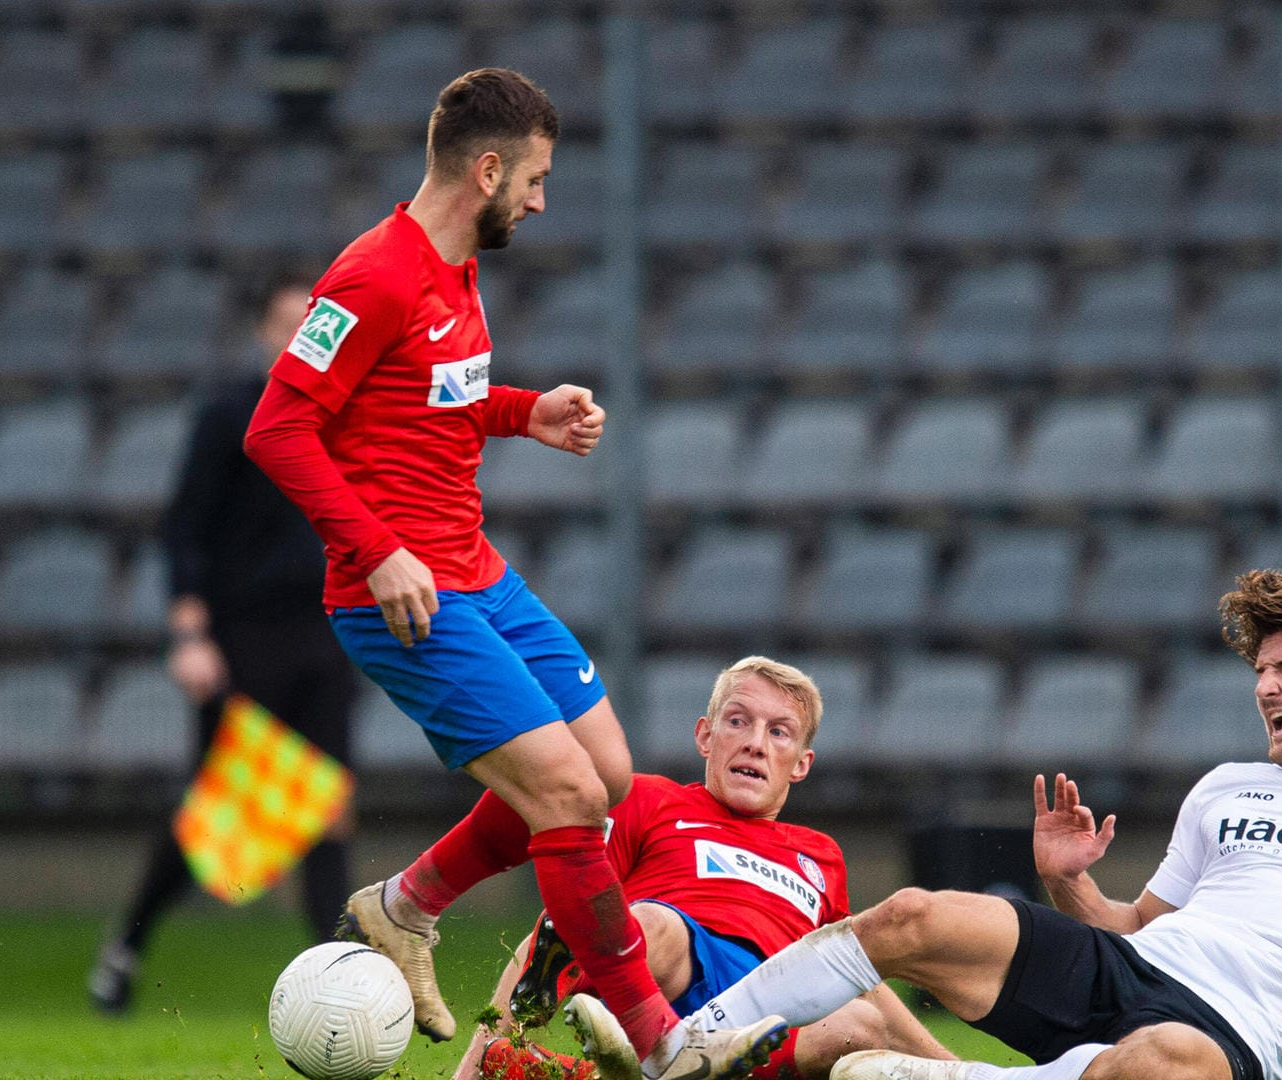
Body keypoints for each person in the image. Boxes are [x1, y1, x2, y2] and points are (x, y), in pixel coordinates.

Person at [242, 68, 783, 1080]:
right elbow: (277, 428)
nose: (538, 200)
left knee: (608, 775)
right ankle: (664, 1043)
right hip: (399, 592)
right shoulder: (374, 274)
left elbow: (431, 401)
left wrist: (524, 411)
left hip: (475, 568)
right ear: (486, 168)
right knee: (571, 799)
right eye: (533, 179)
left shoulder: (455, 271)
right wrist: (377, 547)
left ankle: (403, 907)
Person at [574, 570, 1282, 1080]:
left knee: (1162, 1060)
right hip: (1140, 977)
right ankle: (686, 1048)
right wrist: (1071, 885)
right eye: (1260, 671)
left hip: (1225, 1041)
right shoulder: (1229, 789)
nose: (1265, 688)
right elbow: (1132, 936)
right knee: (918, 915)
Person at [426, 656, 951, 1080]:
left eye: (780, 732)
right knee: (652, 925)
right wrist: (479, 1056)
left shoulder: (821, 855)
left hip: (770, 1011)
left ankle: (600, 1073)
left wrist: (955, 1068)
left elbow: (855, 972)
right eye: (738, 721)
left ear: (801, 764)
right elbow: (568, 915)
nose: (755, 743)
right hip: (668, 980)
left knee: (858, 1026)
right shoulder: (649, 800)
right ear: (705, 736)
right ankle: (653, 1052)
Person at [89, 272, 360, 1014]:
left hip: (328, 630)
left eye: (314, 327)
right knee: (214, 813)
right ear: (261, 333)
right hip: (242, 638)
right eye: (286, 324)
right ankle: (126, 947)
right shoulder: (230, 414)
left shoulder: (346, 413)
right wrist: (189, 631)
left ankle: (333, 990)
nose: (300, 339)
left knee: (326, 807)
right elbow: (185, 527)